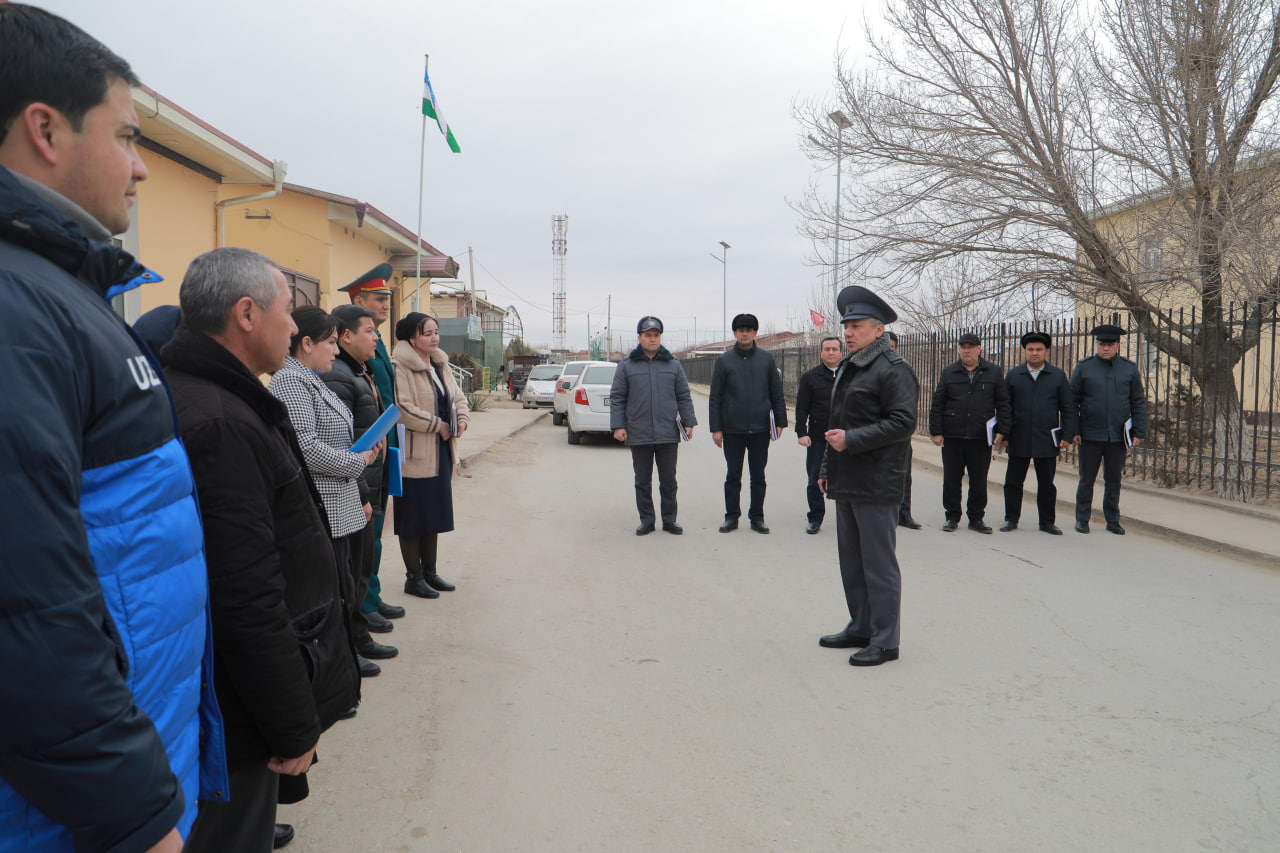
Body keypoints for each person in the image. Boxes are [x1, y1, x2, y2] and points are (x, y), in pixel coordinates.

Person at [0, 7, 226, 851]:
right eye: (127, 137)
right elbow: (27, 614)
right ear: (45, 130)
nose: (141, 167)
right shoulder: (18, 308)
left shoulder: (59, 291)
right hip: (70, 818)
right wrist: (136, 813)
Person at [162, 248, 359, 853]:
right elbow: (245, 592)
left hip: (237, 699)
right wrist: (292, 721)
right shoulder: (221, 421)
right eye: (287, 310)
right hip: (240, 712)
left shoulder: (223, 399)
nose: (295, 327)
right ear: (246, 314)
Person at [268, 307, 395, 672]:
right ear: (307, 343)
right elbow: (305, 447)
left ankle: (345, 656)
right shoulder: (291, 381)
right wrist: (357, 462)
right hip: (325, 507)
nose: (336, 351)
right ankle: (338, 663)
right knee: (333, 592)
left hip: (341, 504)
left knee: (346, 587)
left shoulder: (310, 378)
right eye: (331, 343)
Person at [817, 286, 918, 667]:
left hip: (877, 481)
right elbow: (837, 422)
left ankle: (886, 639)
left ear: (878, 330)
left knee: (878, 564)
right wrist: (827, 467)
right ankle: (861, 626)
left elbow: (903, 423)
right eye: (846, 326)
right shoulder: (851, 365)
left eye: (856, 326)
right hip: (847, 479)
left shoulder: (894, 369)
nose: (848, 332)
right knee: (853, 562)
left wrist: (852, 440)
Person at [338, 265, 411, 623]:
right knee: (366, 529)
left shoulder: (376, 342)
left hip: (383, 444)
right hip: (366, 446)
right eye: (379, 299)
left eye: (387, 299)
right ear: (358, 301)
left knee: (376, 528)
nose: (386, 304)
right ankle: (363, 604)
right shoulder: (348, 349)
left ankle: (372, 593)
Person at [324, 304, 394, 646]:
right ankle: (357, 637)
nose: (376, 337)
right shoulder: (338, 375)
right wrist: (362, 494)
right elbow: (343, 442)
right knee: (353, 568)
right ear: (347, 336)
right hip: (355, 484)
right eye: (370, 331)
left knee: (365, 560)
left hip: (369, 477)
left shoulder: (358, 370)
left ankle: (363, 621)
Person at [392, 313, 470, 598]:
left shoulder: (439, 363)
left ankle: (430, 573)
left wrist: (462, 419)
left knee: (432, 513)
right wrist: (439, 425)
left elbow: (457, 397)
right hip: (414, 455)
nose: (434, 338)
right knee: (414, 516)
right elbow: (402, 407)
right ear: (412, 338)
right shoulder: (400, 366)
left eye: (436, 332)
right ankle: (413, 578)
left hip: (441, 452)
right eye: (427, 333)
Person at [610, 316, 697, 535]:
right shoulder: (626, 365)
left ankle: (669, 520)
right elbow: (618, 397)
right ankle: (647, 520)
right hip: (639, 432)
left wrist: (689, 422)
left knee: (669, 480)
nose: (652, 339)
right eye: (647, 335)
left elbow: (683, 395)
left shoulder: (673, 364)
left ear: (660, 337)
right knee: (642, 481)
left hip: (668, 432)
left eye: (656, 335)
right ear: (639, 337)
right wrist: (618, 426)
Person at [709, 312, 787, 533]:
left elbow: (776, 392)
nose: (745, 334)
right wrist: (716, 428)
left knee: (758, 476)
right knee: (733, 475)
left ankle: (757, 518)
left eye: (749, 330)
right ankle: (731, 517)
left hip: (760, 429)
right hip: (732, 429)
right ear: (735, 333)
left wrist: (780, 421)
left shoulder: (766, 359)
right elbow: (716, 397)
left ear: (755, 333)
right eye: (741, 330)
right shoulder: (724, 361)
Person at [1068, 323, 1148, 534]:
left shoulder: (1129, 369)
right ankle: (1082, 519)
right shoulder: (1084, 367)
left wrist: (1139, 431)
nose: (1105, 348)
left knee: (1114, 480)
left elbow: (1138, 401)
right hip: (1089, 434)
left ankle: (1112, 520)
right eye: (1102, 344)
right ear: (1097, 345)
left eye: (1110, 345)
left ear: (1117, 345)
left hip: (1118, 435)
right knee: (1087, 479)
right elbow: (1071, 401)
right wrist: (1074, 430)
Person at [928, 332, 1010, 533]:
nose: (967, 351)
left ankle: (976, 518)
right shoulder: (949, 372)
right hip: (953, 436)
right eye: (963, 347)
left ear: (979, 349)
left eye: (971, 347)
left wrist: (1003, 431)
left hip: (980, 437)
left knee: (979, 480)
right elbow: (938, 403)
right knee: (952, 479)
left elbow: (1004, 404)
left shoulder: (993, 372)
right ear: (959, 349)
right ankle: (952, 517)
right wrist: (936, 431)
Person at [1000, 331, 1074, 535]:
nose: (1034, 353)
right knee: (1013, 482)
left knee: (1046, 484)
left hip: (1046, 438)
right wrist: (1004, 434)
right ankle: (1011, 519)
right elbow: (1005, 407)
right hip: (1019, 436)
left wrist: (1067, 434)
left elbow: (1067, 407)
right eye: (1030, 349)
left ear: (1046, 351)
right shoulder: (1014, 375)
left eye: (1039, 349)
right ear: (1025, 351)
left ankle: (1047, 522)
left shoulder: (1057, 376)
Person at [795, 336, 842, 534]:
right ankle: (815, 517)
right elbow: (802, 407)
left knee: (846, 479)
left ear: (841, 352)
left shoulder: (849, 375)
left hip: (845, 437)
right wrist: (801, 432)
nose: (831, 352)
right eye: (827, 349)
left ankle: (848, 520)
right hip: (818, 437)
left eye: (834, 349)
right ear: (821, 352)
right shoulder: (810, 377)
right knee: (815, 479)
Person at [887, 331, 922, 529]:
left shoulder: (904, 370)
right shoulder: (872, 371)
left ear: (897, 348)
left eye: (891, 347)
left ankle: (904, 513)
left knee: (904, 476)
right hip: (878, 434)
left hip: (900, 435)